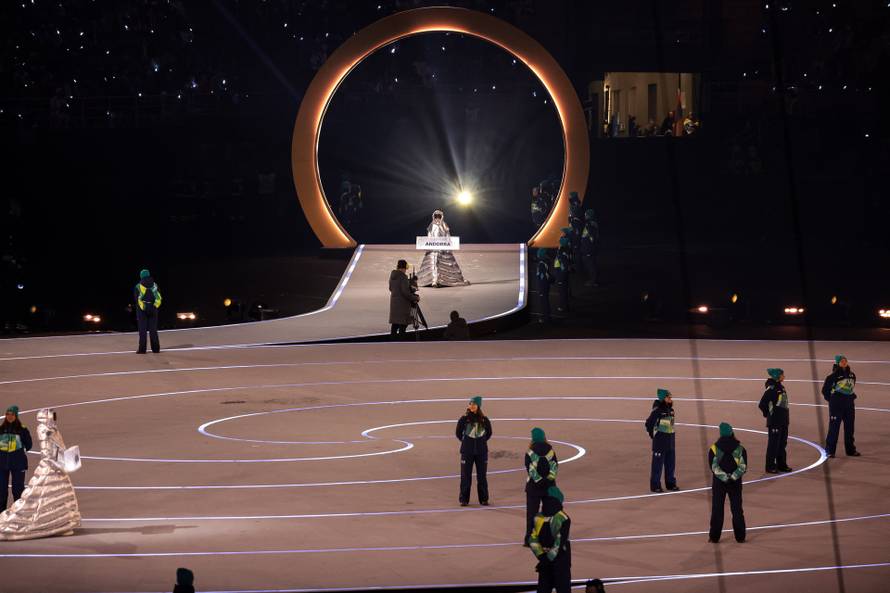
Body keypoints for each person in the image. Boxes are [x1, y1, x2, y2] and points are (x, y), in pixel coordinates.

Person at [708, 422, 747, 543]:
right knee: (737, 509)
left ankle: (714, 537)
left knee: (717, 509)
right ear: (732, 432)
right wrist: (732, 477)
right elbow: (742, 467)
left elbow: (714, 467)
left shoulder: (714, 449)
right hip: (735, 483)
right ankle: (740, 536)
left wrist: (724, 478)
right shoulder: (740, 449)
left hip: (719, 483)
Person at [529, 486, 571, 593]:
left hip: (544, 561)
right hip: (560, 562)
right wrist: (547, 560)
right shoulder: (564, 518)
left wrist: (542, 558)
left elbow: (532, 539)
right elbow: (559, 543)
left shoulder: (537, 517)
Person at [525, 427, 559, 546]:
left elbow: (530, 469)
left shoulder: (530, 452)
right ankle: (548, 539)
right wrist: (548, 480)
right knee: (549, 513)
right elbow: (555, 467)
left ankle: (530, 538)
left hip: (533, 488)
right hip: (549, 487)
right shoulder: (551, 451)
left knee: (532, 514)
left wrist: (539, 481)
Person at [455, 396, 492, 506]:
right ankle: (464, 499)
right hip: (467, 452)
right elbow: (458, 433)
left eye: (474, 404)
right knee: (465, 476)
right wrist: (466, 442)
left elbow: (489, 433)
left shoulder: (484, 420)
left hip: (481, 453)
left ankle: (484, 499)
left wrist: (481, 442)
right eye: (470, 403)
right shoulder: (464, 419)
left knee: (482, 476)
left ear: (478, 406)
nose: (471, 406)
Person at [417, 210, 469, 287]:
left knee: (441, 262)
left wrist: (448, 245)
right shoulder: (431, 226)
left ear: (441, 217)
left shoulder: (444, 225)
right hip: (433, 248)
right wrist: (428, 245)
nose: (437, 218)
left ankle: (442, 280)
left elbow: (447, 235)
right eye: (436, 216)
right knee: (433, 262)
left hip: (443, 248)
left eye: (439, 216)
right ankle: (433, 280)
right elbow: (429, 236)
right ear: (434, 217)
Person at [822, 354, 861, 458]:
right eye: (842, 361)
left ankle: (850, 450)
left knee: (850, 428)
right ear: (837, 363)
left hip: (849, 405)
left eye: (845, 361)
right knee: (834, 428)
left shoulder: (852, 375)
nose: (844, 362)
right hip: (836, 406)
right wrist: (832, 400)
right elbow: (825, 390)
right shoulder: (832, 376)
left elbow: (851, 388)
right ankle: (830, 451)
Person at [758, 368, 792, 473]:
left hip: (783, 421)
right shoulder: (771, 389)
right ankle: (770, 466)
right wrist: (768, 414)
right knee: (773, 444)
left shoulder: (781, 387)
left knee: (782, 443)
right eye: (782, 374)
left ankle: (781, 464)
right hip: (775, 421)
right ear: (777, 376)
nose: (784, 376)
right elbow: (762, 404)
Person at [645, 388, 678, 492]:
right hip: (660, 443)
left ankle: (670, 483)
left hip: (670, 442)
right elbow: (648, 423)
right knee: (657, 466)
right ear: (663, 398)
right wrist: (654, 436)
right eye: (669, 397)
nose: (671, 399)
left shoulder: (671, 410)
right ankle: (655, 486)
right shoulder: (657, 410)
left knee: (670, 465)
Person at [1, 405, 32, 510]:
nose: (9, 416)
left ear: (16, 416)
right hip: (2, 465)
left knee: (18, 490)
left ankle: (18, 513)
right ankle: (1, 515)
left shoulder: (22, 430)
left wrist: (19, 453)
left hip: (18, 465)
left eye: (12, 414)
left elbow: (29, 444)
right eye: (7, 414)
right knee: (1, 490)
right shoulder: (1, 430)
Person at [134, 268, 162, 354]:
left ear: (141, 276)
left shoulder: (138, 286)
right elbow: (159, 298)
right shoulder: (155, 285)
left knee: (142, 330)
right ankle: (156, 349)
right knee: (153, 330)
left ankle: (142, 349)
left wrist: (145, 307)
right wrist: (154, 306)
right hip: (153, 309)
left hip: (142, 311)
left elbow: (138, 300)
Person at [388, 259, 418, 339]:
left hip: (394, 305)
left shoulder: (392, 276)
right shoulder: (403, 277)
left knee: (395, 326)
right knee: (402, 327)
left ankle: (392, 344)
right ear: (404, 268)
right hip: (402, 307)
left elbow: (391, 288)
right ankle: (401, 345)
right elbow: (406, 293)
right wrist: (415, 298)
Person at [579, 209, 600, 287]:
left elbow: (592, 237)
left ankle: (593, 281)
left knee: (591, 265)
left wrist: (589, 246)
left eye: (586, 214)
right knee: (591, 264)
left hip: (589, 249)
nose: (585, 216)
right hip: (589, 248)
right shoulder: (592, 223)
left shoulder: (590, 224)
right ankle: (593, 280)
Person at [536, 248, 552, 324]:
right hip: (546, 284)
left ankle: (546, 318)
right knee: (545, 300)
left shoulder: (542, 263)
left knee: (544, 301)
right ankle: (547, 316)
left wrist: (541, 284)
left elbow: (542, 276)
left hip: (543, 284)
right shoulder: (546, 261)